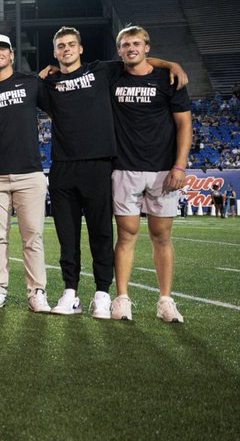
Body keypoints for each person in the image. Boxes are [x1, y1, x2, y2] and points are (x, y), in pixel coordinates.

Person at [40, 26, 186, 317]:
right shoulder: (48, 81)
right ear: (55, 52)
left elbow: (136, 58)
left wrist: (172, 64)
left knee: (102, 234)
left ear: (81, 49)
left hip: (100, 164)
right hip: (63, 166)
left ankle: (103, 294)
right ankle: (70, 292)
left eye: (71, 44)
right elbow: (15, 86)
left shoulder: (101, 71)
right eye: (61, 46)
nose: (66, 49)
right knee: (67, 237)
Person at [109, 25, 191, 323]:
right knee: (126, 234)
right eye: (125, 44)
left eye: (136, 43)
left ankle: (165, 300)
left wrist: (179, 166)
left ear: (147, 47)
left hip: (162, 170)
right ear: (119, 50)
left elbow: (184, 124)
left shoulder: (168, 79)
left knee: (161, 236)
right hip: (124, 167)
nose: (131, 48)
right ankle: (122, 298)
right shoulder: (113, 75)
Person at [0, 33, 52, 313]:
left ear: (11, 54)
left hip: (29, 173)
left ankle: (37, 291)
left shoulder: (31, 83)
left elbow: (58, 106)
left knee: (32, 236)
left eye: (2, 49)